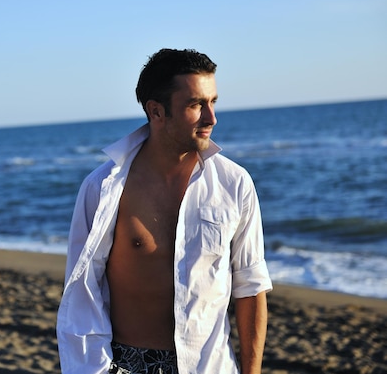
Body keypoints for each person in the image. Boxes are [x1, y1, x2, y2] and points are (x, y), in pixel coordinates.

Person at [56, 48, 272, 374]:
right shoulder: (103, 189)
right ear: (156, 112)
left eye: (213, 102)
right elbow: (83, 292)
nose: (211, 118)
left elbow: (251, 286)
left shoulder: (234, 184)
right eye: (196, 105)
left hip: (209, 366)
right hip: (129, 365)